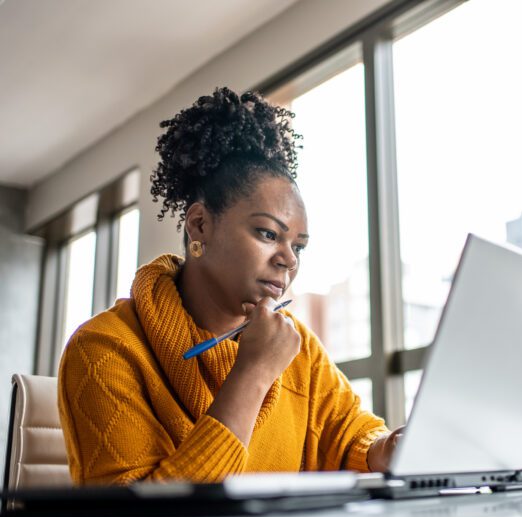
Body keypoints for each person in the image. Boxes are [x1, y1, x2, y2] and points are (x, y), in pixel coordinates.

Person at [57, 87, 402, 485]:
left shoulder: (298, 347)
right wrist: (253, 373)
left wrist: (385, 448)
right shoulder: (104, 349)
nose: (289, 259)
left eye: (299, 246)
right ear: (200, 224)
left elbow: (349, 434)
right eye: (268, 233)